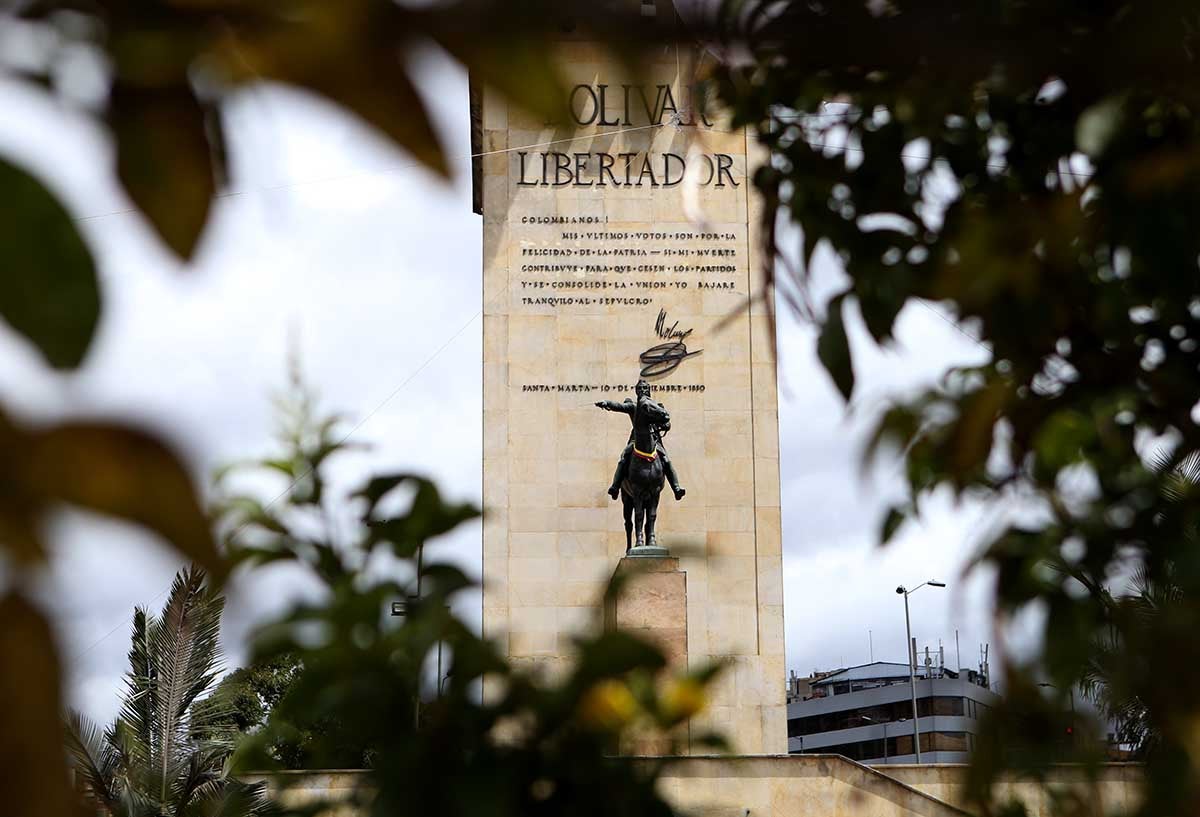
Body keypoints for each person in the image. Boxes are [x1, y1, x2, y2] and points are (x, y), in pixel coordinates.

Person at [595, 379, 686, 501]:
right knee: (624, 458)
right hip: (635, 440)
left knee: (666, 459)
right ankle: (615, 487)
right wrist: (607, 403)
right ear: (636, 392)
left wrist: (665, 425)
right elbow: (619, 406)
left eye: (645, 388)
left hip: (654, 441)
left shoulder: (656, 407)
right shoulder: (634, 406)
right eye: (640, 389)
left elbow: (666, 422)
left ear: (648, 391)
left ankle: (676, 488)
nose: (642, 390)